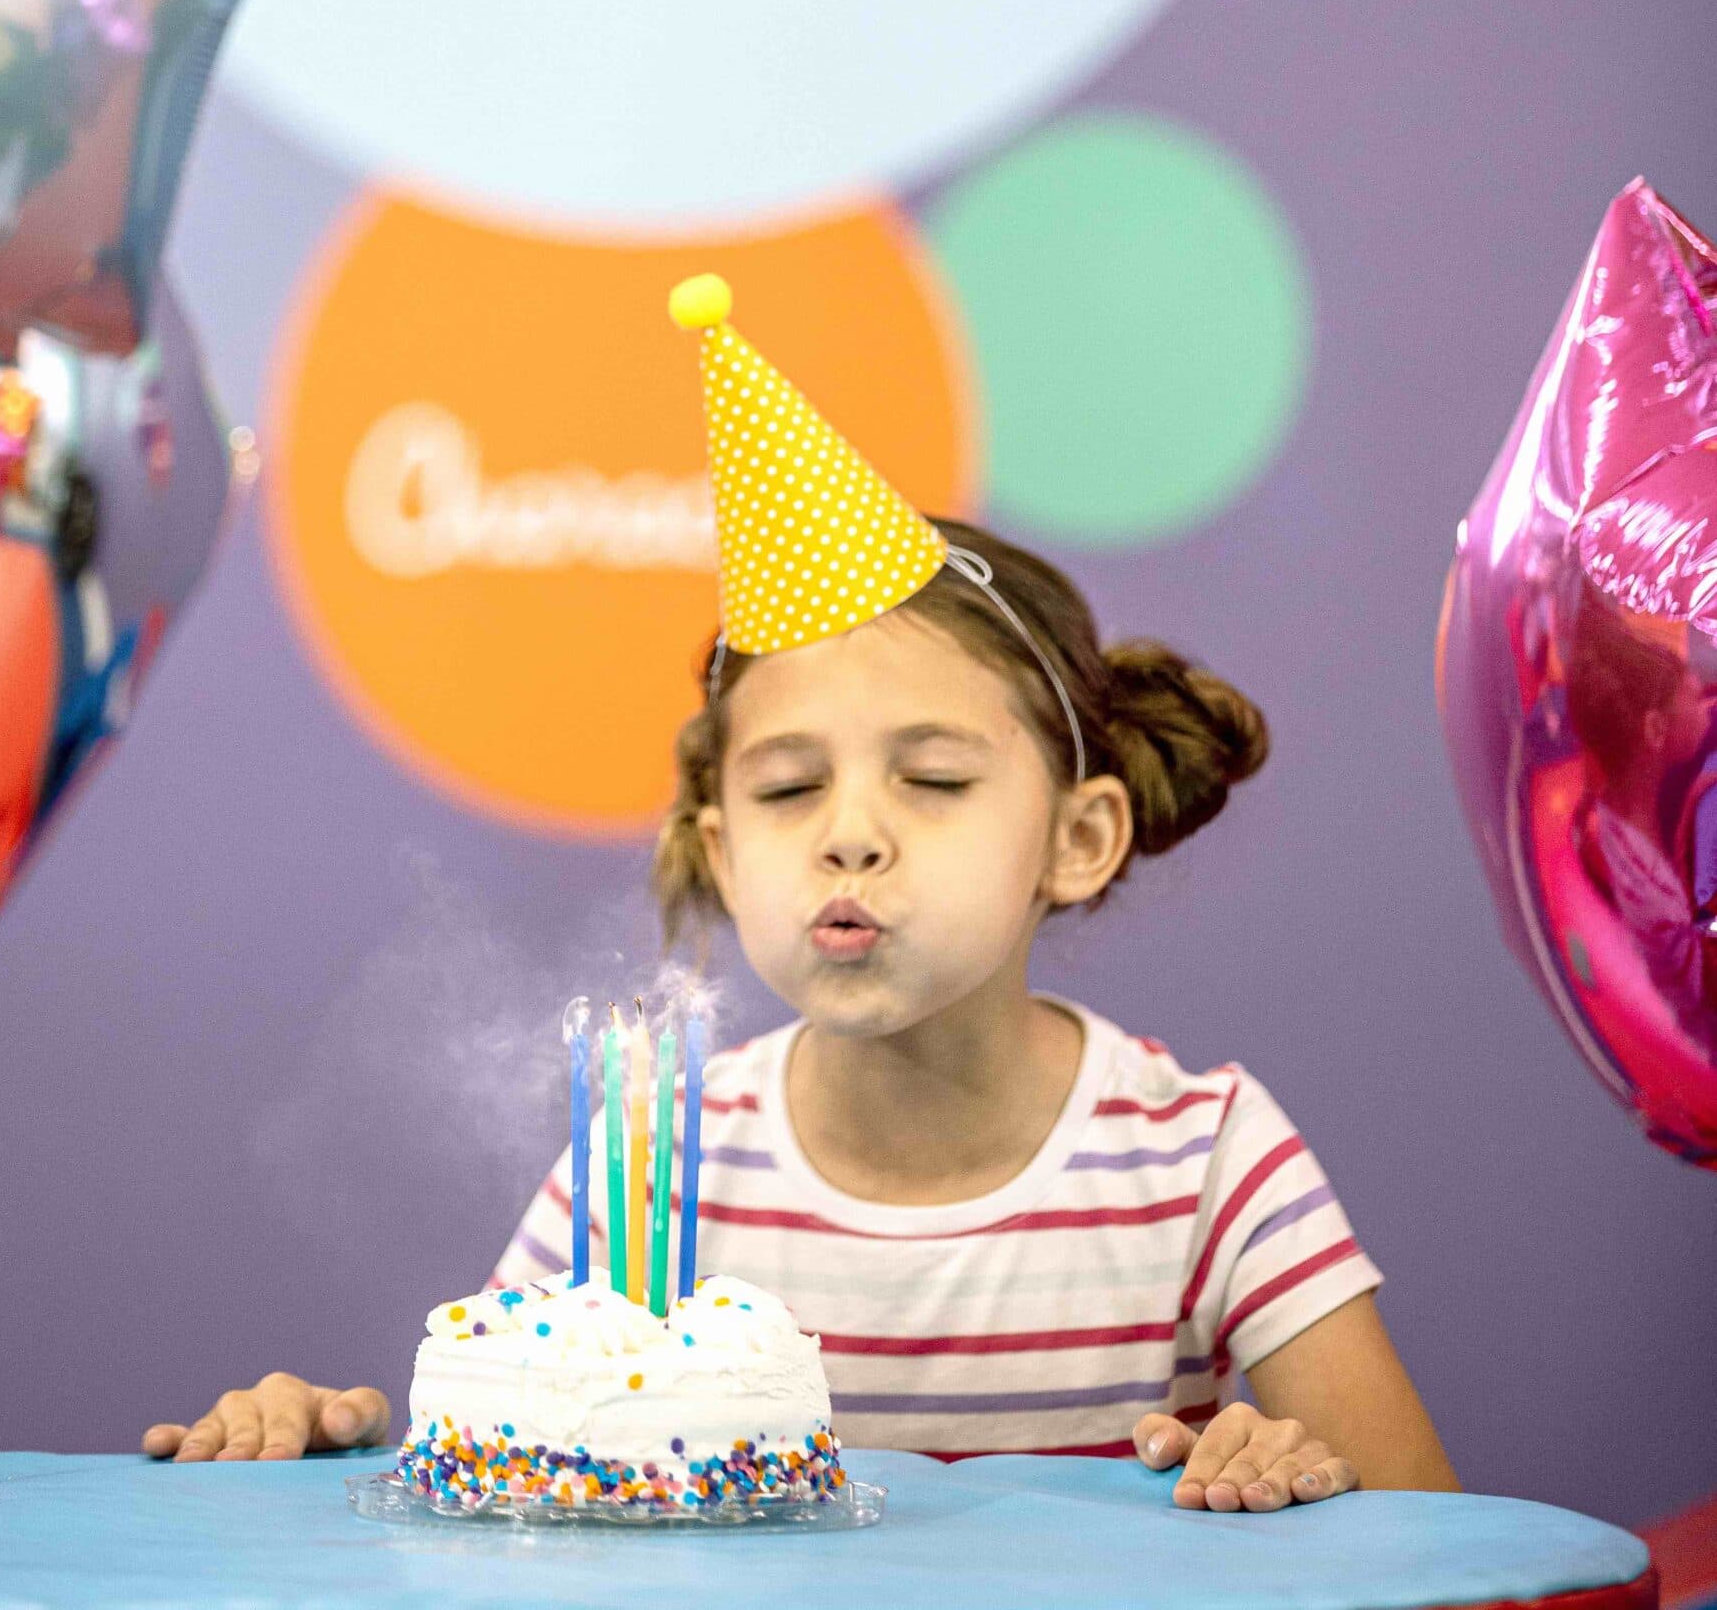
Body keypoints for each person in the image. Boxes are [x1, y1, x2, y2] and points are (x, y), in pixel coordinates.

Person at [146, 286, 1457, 1513]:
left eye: (932, 780)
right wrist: (323, 1453)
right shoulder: (649, 1175)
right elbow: (498, 1487)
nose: (850, 837)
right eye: (788, 790)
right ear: (722, 853)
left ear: (1079, 838)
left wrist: (1296, 1485)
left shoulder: (1204, 1160)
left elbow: (1438, 1550)